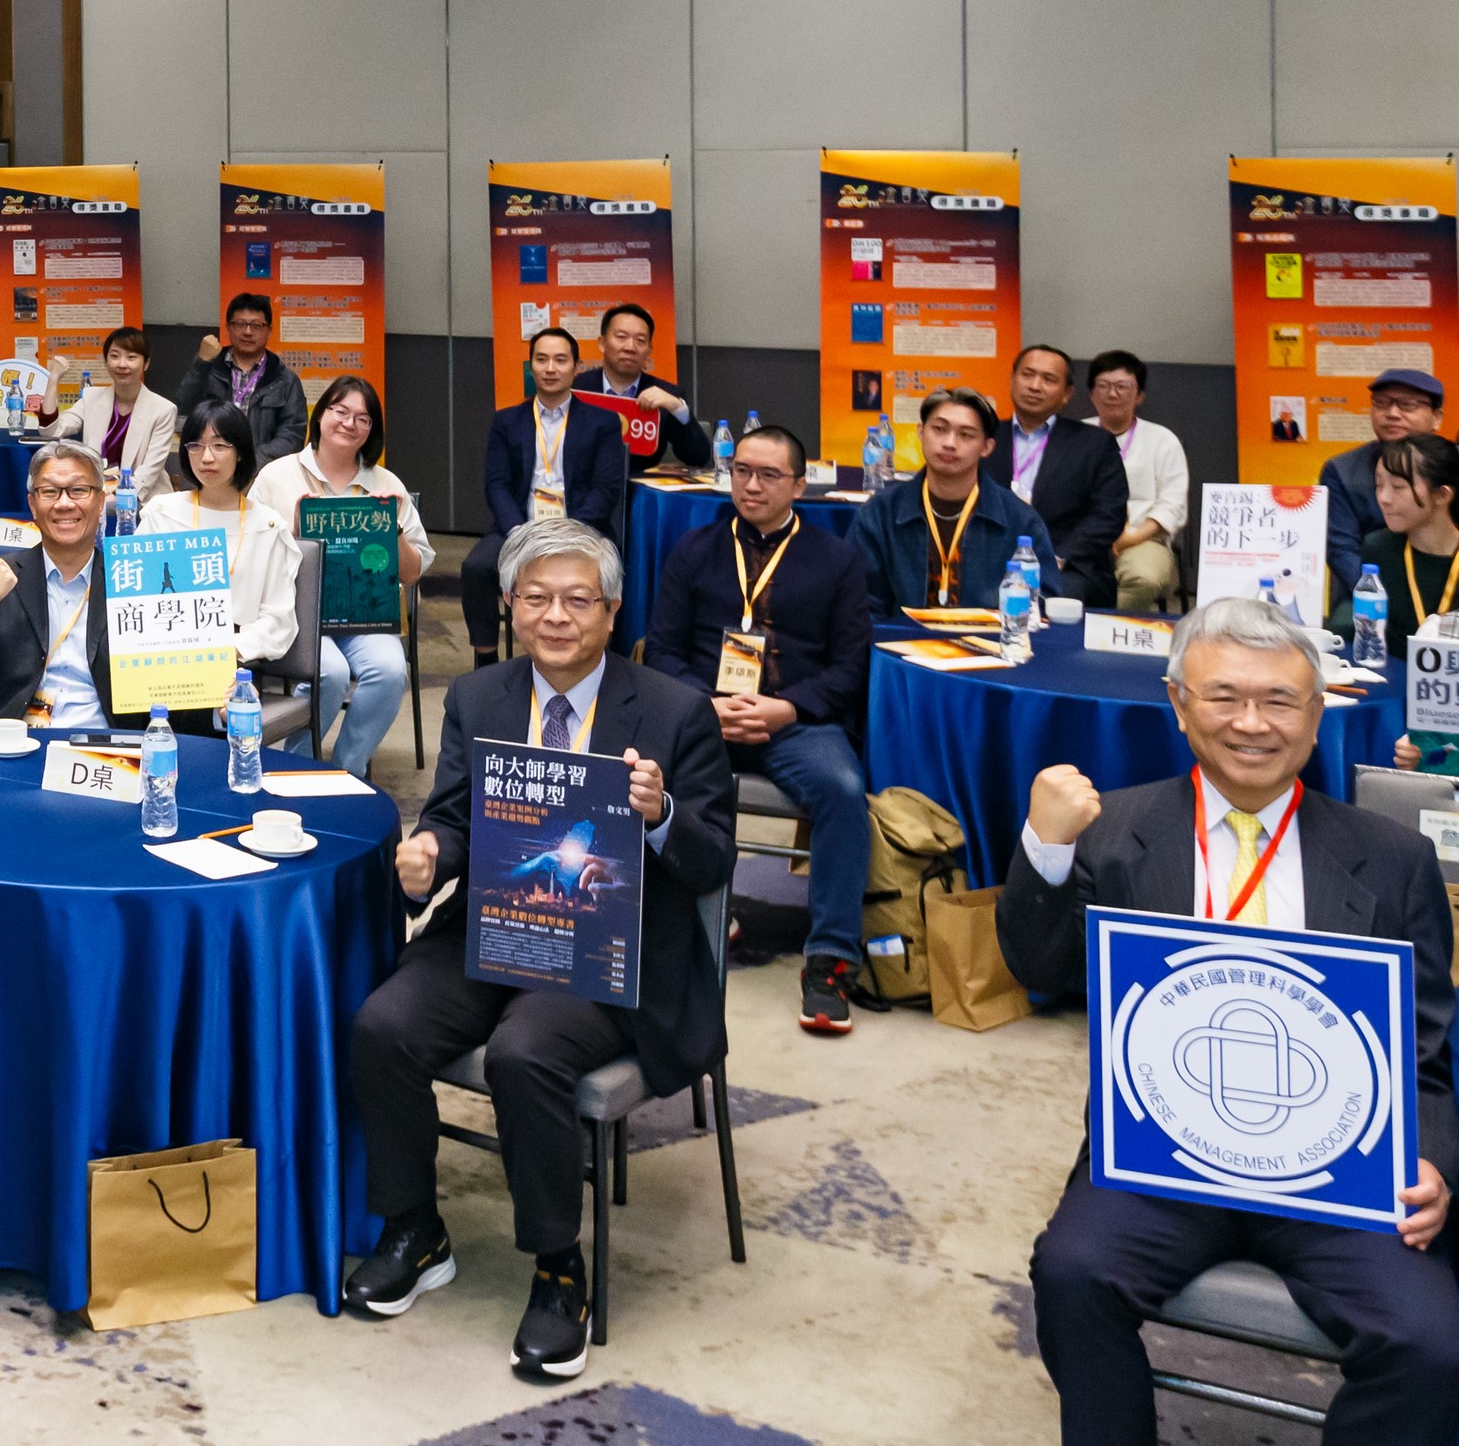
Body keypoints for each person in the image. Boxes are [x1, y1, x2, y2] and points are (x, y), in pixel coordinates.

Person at [1005, 595, 1459, 1445]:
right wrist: (1046, 845)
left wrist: (1434, 1160)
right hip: (1165, 1155)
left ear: (1317, 715)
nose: (1252, 723)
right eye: (1224, 697)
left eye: (1280, 700)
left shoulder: (1395, 859)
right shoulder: (1116, 833)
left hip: (1339, 1169)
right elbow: (1038, 970)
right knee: (1072, 1276)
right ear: (1180, 705)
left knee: (1432, 1345)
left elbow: (1426, 1053)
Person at [342, 517, 734, 1379]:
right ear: (511, 606)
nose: (555, 617)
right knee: (382, 1026)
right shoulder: (480, 698)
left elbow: (713, 862)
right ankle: (415, 1226)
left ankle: (559, 1268)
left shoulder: (674, 712)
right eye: (536, 599)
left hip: (612, 945)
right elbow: (453, 818)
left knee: (525, 1053)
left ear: (612, 611)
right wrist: (429, 855)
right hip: (496, 924)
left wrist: (661, 815)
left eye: (577, 601)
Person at [644, 423, 874, 1036]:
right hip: (705, 719)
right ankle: (689, 911)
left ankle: (830, 961)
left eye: (769, 475)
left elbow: (851, 667)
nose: (751, 485)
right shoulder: (695, 548)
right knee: (645, 779)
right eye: (741, 471)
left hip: (794, 722)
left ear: (799, 485)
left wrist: (786, 708)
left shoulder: (836, 559)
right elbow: (661, 649)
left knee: (844, 791)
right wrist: (703, 705)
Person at [251, 376, 434, 778]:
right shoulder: (276, 477)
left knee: (390, 671)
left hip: (364, 617)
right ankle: (298, 766)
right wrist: (295, 533)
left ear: (371, 430)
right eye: (340, 411)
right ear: (320, 415)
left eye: (362, 418)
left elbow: (413, 571)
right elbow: (252, 558)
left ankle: (348, 769)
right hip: (297, 617)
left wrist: (392, 530)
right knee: (330, 673)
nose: (349, 423)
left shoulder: (387, 485)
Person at [463, 328, 627, 665]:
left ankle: (596, 655)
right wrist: (519, 532)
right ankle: (486, 659)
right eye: (541, 360)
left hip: (583, 529)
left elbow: (606, 489)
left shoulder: (603, 422)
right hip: (519, 527)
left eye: (560, 360)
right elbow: (496, 484)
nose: (550, 368)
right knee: (476, 567)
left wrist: (569, 532)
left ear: (576, 367)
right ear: (531, 366)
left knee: (605, 569)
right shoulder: (506, 421)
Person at [0, 440, 119, 730]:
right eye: (49, 491)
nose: (64, 503)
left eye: (78, 490)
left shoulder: (126, 580)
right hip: (15, 739)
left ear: (100, 502)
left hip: (104, 740)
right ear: (32, 505)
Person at [850, 389, 1065, 613]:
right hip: (900, 634)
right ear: (921, 432)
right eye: (939, 429)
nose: (950, 443)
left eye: (966, 435)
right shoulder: (880, 513)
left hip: (991, 635)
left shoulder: (1020, 519)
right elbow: (860, 604)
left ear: (987, 447)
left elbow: (1041, 605)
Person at [141, 403, 301, 674]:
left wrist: (231, 649)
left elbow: (277, 617)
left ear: (240, 453)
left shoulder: (267, 525)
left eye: (219, 446)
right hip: (167, 656)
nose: (206, 458)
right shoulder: (161, 513)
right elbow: (137, 597)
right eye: (196, 445)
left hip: (235, 660)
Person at [1002, 345, 1130, 608]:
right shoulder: (984, 436)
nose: (1035, 386)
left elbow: (1109, 514)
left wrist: (1058, 557)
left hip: (1067, 562)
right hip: (991, 557)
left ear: (1067, 394)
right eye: (1027, 375)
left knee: (1057, 599)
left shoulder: (1095, 443)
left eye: (1048, 379)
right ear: (1012, 380)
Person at [1335, 432, 1459, 657]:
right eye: (1378, 485)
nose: (1383, 498)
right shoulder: (1378, 549)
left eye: (1398, 487)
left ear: (1442, 495)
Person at [1086, 349, 1190, 615]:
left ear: (1139, 395)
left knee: (1144, 578)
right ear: (1091, 393)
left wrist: (1127, 539)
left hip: (1142, 538)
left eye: (1122, 386)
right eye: (1103, 386)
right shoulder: (1074, 435)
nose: (1112, 394)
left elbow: (1172, 505)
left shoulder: (1162, 440)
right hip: (1081, 537)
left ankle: (1105, 626)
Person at [1324, 369, 1448, 585]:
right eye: (1381, 403)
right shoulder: (1341, 470)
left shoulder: (1453, 464)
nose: (1392, 413)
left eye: (1407, 404)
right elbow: (1341, 549)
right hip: (1367, 591)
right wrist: (1379, 594)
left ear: (1436, 418)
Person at [39, 326, 177, 501]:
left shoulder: (163, 410)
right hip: (96, 497)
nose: (122, 364)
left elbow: (148, 474)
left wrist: (110, 500)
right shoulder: (91, 398)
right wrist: (53, 378)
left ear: (146, 364)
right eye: (114, 356)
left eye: (131, 357)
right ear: (106, 361)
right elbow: (51, 431)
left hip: (145, 503)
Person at [172, 293, 308, 468]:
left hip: (262, 473)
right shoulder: (208, 369)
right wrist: (202, 364)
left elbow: (292, 436)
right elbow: (184, 409)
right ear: (228, 328)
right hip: (211, 466)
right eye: (240, 324)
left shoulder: (285, 380)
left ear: (269, 331)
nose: (247, 332)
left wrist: (251, 464)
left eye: (256, 325)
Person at [586, 303, 711, 473]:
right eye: (621, 337)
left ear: (649, 350)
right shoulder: (577, 388)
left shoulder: (667, 394)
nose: (630, 347)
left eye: (640, 340)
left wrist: (677, 408)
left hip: (639, 487)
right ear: (602, 343)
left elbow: (699, 458)